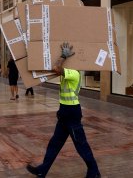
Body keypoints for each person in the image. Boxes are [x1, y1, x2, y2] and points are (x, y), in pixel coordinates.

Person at [26, 42, 101, 178]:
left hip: (72, 112)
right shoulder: (70, 72)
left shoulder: (74, 73)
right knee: (54, 143)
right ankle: (43, 170)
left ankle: (94, 171)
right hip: (65, 112)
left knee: (81, 145)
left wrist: (63, 56)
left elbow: (56, 68)